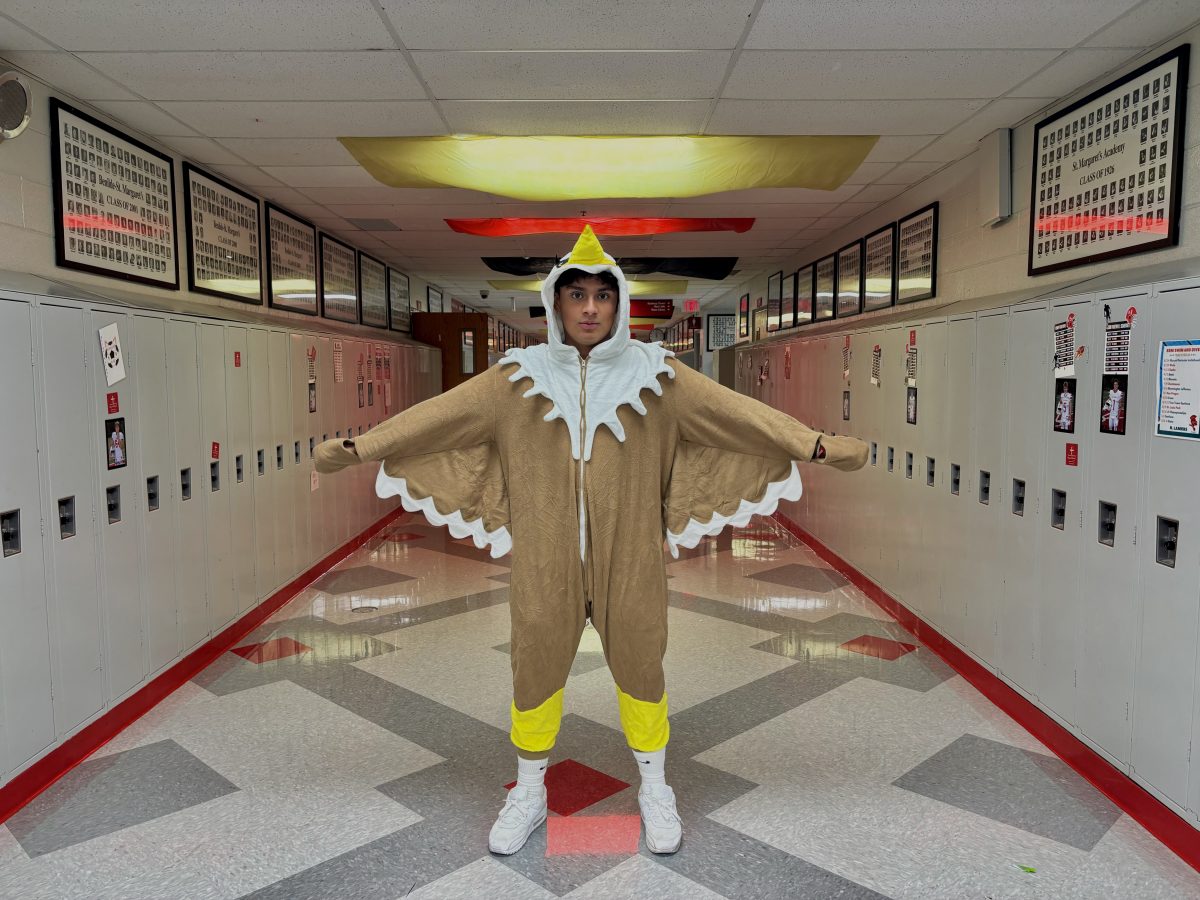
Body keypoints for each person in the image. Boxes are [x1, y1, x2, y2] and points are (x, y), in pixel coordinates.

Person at [315, 227, 868, 856]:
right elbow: (435, 417)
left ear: (619, 304)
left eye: (601, 296)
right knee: (534, 665)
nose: (587, 308)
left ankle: (655, 787)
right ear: (554, 303)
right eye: (575, 294)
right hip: (544, 559)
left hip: (631, 557)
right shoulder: (514, 380)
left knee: (641, 662)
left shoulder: (659, 378)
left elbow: (742, 416)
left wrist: (815, 445)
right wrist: (362, 447)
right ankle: (528, 790)